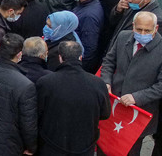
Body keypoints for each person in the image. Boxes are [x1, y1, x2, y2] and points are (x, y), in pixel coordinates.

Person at [101, 11, 162, 154]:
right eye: (139, 29)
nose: (142, 33)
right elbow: (109, 61)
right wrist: (106, 81)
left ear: (156, 29)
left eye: (147, 30)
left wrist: (137, 97)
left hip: (138, 114)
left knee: (129, 150)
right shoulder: (123, 37)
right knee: (105, 146)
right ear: (133, 26)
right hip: (114, 106)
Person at [35, 41, 109, 155]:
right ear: (80, 57)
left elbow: (37, 113)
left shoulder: (45, 82)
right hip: (84, 145)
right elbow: (105, 114)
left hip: (52, 144)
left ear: (60, 58)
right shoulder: (98, 83)